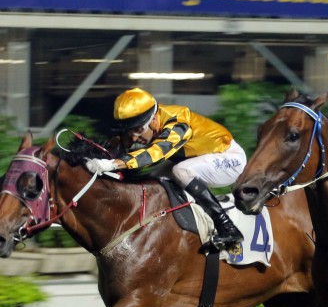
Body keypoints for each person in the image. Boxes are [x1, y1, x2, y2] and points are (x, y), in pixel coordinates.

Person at [86, 87, 246, 249]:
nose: (134, 137)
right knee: (152, 182)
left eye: (138, 130)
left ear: (154, 119)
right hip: (199, 159)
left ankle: (228, 228)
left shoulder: (178, 123)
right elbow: (117, 144)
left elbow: (156, 153)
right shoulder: (147, 122)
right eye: (129, 131)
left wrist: (113, 164)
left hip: (230, 159)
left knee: (181, 171)